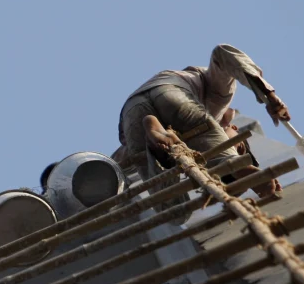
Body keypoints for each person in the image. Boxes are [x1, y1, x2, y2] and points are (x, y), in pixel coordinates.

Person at [116, 44, 289, 198]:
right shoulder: (214, 91)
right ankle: (233, 165)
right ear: (233, 125)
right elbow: (221, 53)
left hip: (132, 111)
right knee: (214, 143)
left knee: (168, 201)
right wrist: (268, 94)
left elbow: (116, 163)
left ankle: (154, 145)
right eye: (239, 145)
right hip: (172, 93)